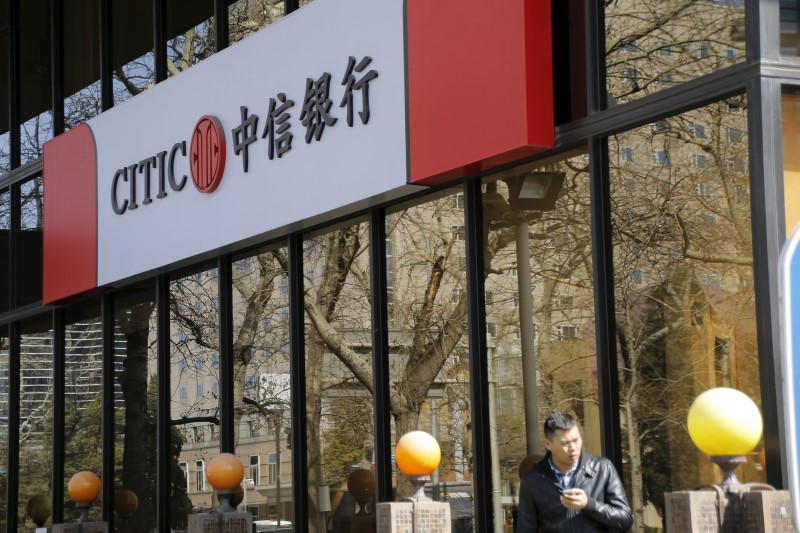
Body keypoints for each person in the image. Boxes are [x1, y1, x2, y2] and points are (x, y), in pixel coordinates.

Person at [517, 412, 633, 532]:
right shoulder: (533, 481)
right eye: (565, 443)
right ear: (548, 444)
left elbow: (626, 520)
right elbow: (526, 529)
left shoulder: (602, 468)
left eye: (576, 440)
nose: (573, 448)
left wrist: (589, 504)